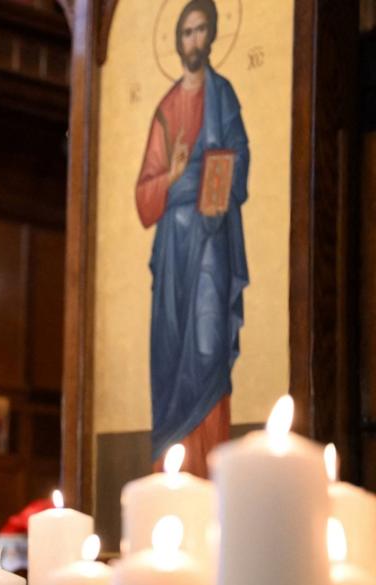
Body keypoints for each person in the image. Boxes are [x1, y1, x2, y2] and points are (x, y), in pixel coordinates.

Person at [134, 0, 249, 477]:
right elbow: (144, 197)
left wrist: (210, 193)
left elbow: (236, 159)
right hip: (173, 253)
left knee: (208, 349)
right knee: (170, 357)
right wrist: (176, 176)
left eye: (202, 31)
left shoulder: (224, 97)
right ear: (178, 41)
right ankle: (172, 474)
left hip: (212, 244)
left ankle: (211, 473)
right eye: (186, 33)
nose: (194, 41)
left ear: (213, 36)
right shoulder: (165, 110)